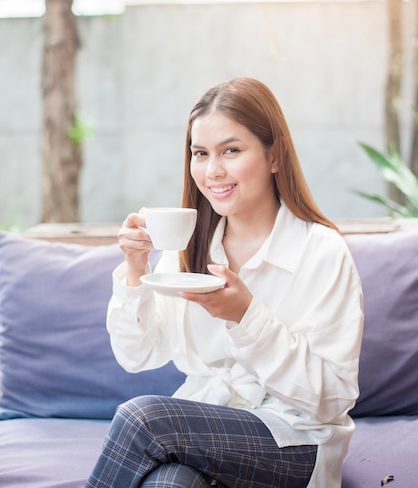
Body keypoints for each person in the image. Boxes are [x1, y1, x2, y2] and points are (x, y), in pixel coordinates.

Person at [85, 77, 363, 488]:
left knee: (142, 417)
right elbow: (136, 355)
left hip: (294, 441)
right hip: (203, 429)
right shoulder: (189, 246)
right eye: (200, 153)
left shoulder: (321, 251)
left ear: (274, 156)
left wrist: (247, 318)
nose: (212, 171)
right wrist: (135, 269)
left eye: (231, 150)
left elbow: (330, 400)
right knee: (169, 483)